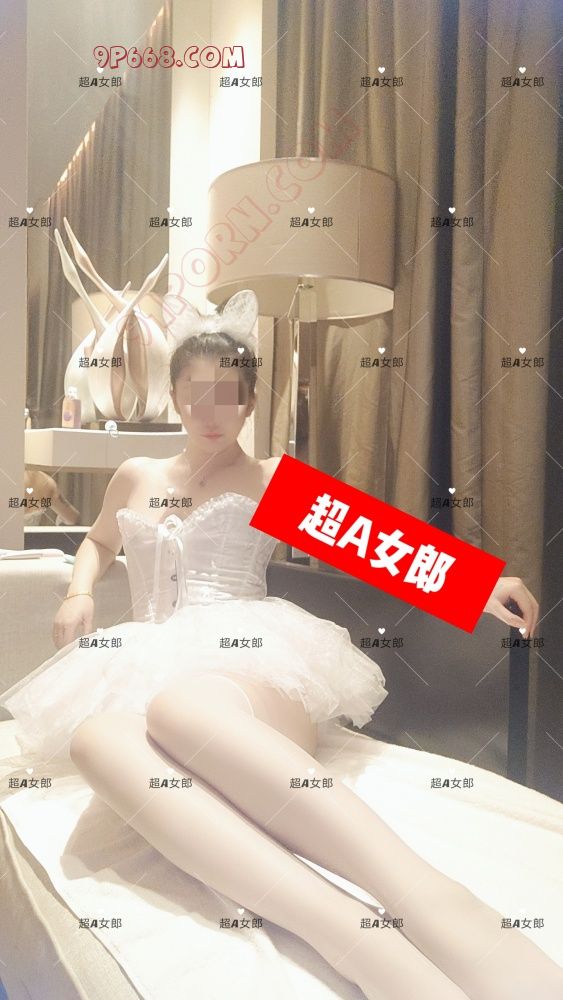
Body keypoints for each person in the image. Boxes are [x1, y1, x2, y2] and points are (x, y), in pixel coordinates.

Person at [0, 289, 560, 1000]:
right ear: (174, 394)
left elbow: (374, 542)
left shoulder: (269, 478)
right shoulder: (136, 475)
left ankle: (435, 903)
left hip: (251, 665)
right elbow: (100, 540)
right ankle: (352, 936)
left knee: (182, 709)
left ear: (250, 402)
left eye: (229, 395)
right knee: (96, 739)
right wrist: (79, 589)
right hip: (146, 656)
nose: (212, 411)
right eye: (196, 394)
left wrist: (475, 582)